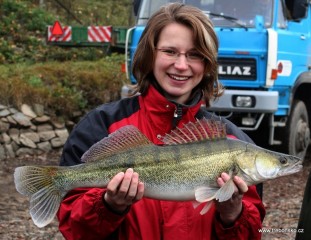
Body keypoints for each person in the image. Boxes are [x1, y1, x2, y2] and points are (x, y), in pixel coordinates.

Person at [57, 3, 265, 239]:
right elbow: (74, 229)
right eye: (170, 51)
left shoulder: (232, 141)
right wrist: (109, 205)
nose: (181, 65)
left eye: (195, 55)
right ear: (150, 54)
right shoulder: (102, 125)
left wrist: (232, 214)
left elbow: (252, 234)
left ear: (207, 64)